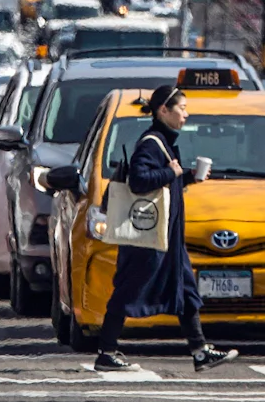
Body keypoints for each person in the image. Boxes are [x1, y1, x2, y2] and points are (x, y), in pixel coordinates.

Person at [95, 85, 239, 373]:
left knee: (186, 290)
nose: (186, 114)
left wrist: (185, 178)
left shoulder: (163, 141)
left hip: (167, 237)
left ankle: (200, 352)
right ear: (163, 110)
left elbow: (161, 184)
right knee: (129, 288)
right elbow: (139, 180)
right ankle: (106, 352)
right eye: (181, 108)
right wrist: (171, 172)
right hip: (149, 238)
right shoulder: (151, 142)